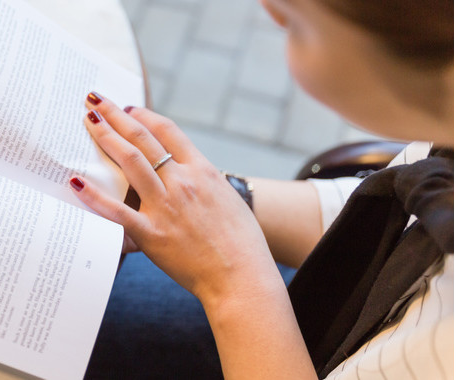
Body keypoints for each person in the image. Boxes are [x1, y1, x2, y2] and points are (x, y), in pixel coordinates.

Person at [71, 0, 454, 378]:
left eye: (297, 21)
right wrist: (221, 198)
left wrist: (232, 283)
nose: (269, 10)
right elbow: (396, 218)